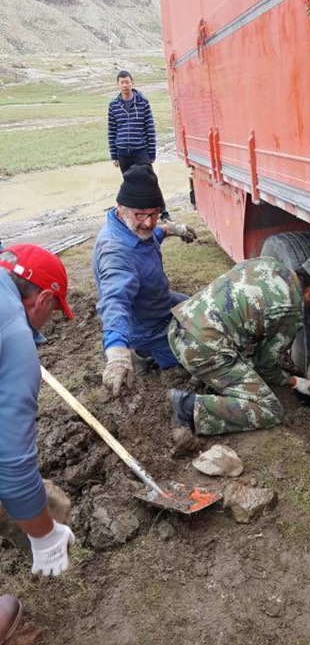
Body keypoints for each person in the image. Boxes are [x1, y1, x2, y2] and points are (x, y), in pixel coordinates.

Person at [166, 254, 310, 436]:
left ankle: (202, 377)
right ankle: (187, 407)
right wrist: (294, 381)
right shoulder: (292, 309)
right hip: (198, 350)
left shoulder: (267, 262)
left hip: (178, 325)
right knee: (270, 410)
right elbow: (264, 364)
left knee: (239, 341)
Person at [0, 244, 76, 576]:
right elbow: (13, 464)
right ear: (43, 299)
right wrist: (46, 537)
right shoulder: (15, 337)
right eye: (54, 310)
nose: (50, 321)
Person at [93, 164, 198, 397]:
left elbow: (152, 235)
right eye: (141, 214)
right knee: (196, 357)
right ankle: (140, 352)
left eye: (155, 213)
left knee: (205, 310)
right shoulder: (116, 252)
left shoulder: (134, 229)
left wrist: (171, 229)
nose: (149, 222)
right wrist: (117, 353)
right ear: (120, 208)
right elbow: (114, 302)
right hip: (147, 327)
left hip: (162, 303)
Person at [108, 69, 171, 219]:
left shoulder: (143, 103)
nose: (125, 85)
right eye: (122, 82)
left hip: (140, 150)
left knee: (151, 181)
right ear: (118, 85)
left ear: (132, 83)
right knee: (130, 184)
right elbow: (111, 130)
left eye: (127, 82)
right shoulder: (113, 105)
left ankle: (163, 212)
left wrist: (152, 153)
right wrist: (114, 155)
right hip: (123, 152)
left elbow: (150, 128)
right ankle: (137, 215)